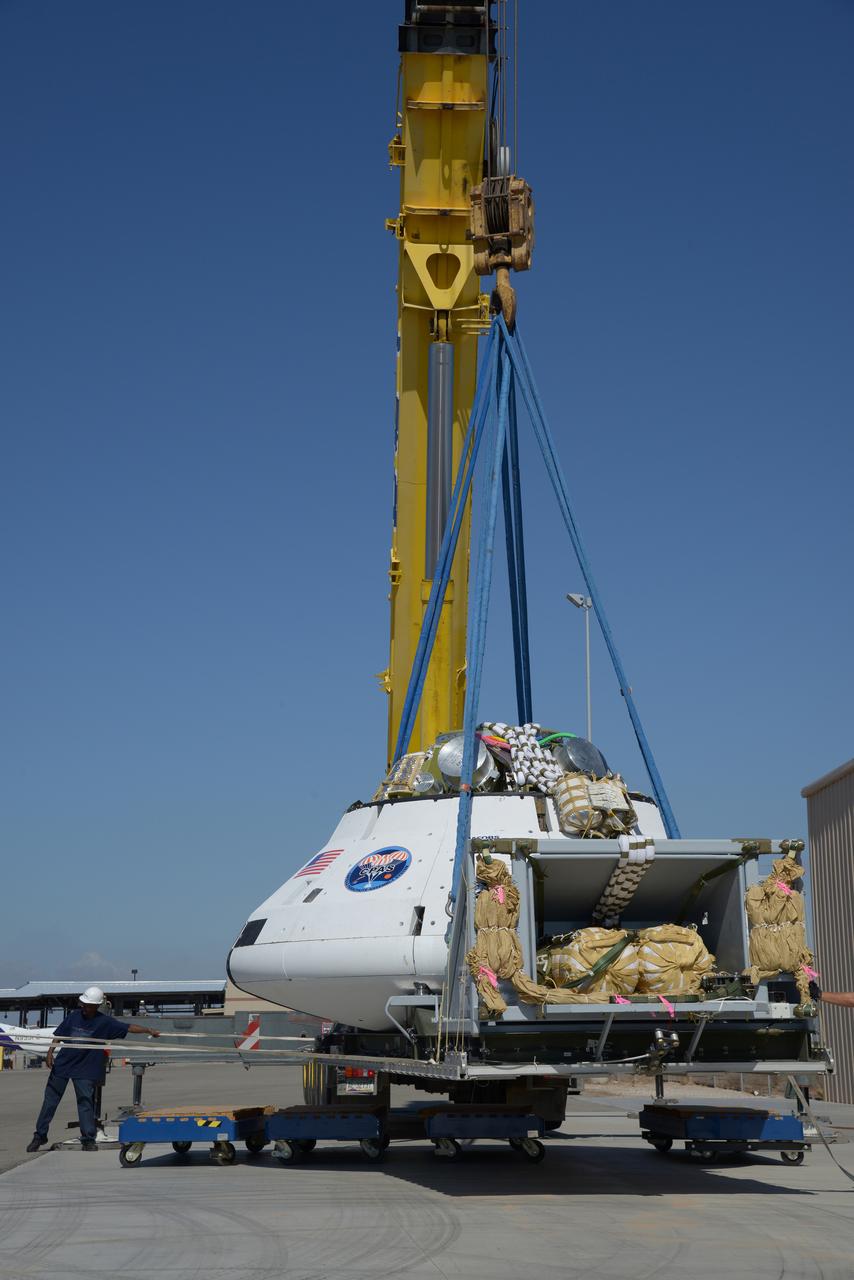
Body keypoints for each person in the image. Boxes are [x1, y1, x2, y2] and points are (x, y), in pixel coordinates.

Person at [26, 986, 160, 1152]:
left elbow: (128, 1027)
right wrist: (50, 1052)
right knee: (50, 1101)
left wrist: (149, 1030)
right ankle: (40, 1135)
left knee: (85, 1103)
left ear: (96, 1006)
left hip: (85, 1069)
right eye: (83, 1003)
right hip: (63, 1065)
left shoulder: (105, 1022)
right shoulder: (74, 1016)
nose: (84, 1007)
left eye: (88, 1005)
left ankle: (88, 1139)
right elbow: (59, 1035)